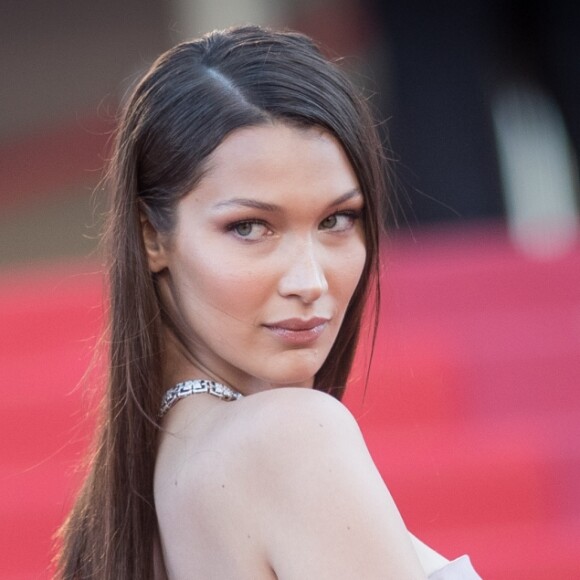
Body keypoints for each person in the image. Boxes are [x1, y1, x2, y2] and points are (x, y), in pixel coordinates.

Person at [56, 26, 481, 579]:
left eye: (336, 220)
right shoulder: (288, 437)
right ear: (150, 237)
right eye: (251, 227)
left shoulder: (157, 485)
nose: (308, 280)